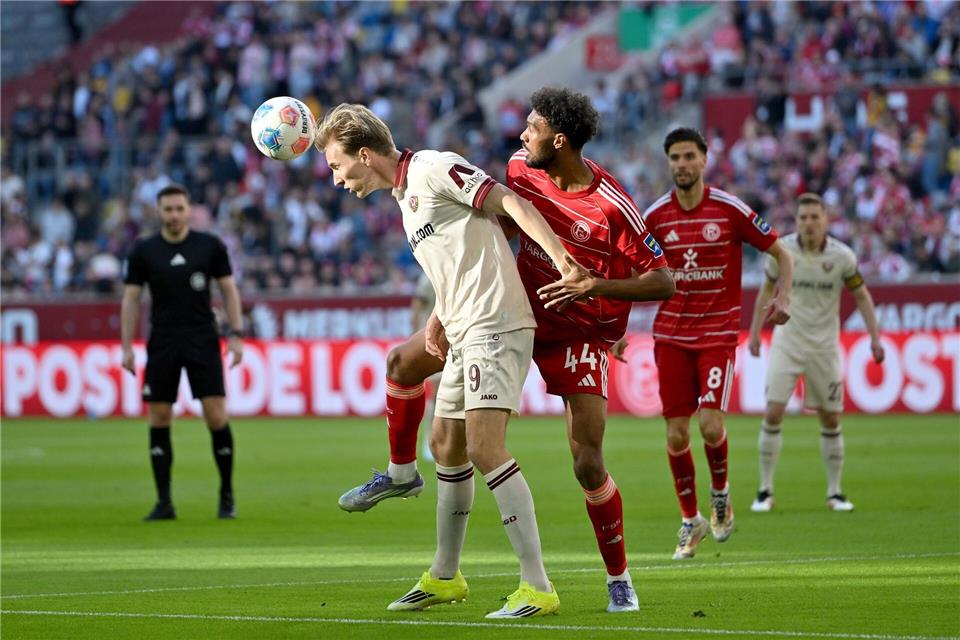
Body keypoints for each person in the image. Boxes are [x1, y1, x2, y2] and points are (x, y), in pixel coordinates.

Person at [340, 88, 675, 612]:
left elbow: (664, 281)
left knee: (585, 462)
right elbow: (482, 230)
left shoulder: (612, 205)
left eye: (532, 125)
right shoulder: (520, 166)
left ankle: (611, 578)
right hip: (500, 310)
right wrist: (441, 311)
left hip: (572, 329)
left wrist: (593, 288)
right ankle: (440, 566)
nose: (521, 135)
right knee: (424, 400)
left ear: (558, 139)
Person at [316, 102, 587, 618]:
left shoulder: (433, 167)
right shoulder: (406, 196)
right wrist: (440, 314)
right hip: (463, 331)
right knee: (445, 446)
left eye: (336, 165)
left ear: (365, 154)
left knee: (486, 448)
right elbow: (461, 257)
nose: (335, 179)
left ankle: (537, 586)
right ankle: (444, 576)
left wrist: (562, 261)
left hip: (495, 325)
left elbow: (509, 205)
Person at [638, 127, 793, 560]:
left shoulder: (727, 209)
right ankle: (691, 520)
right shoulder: (654, 216)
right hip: (670, 335)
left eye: (689, 156)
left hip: (716, 334)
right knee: (674, 435)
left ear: (705, 160)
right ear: (668, 163)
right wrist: (613, 330)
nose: (682, 165)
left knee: (708, 424)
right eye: (675, 158)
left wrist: (784, 294)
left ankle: (721, 493)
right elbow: (628, 268)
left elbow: (782, 252)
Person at [747, 193, 884, 513]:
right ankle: (765, 490)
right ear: (796, 221)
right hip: (788, 342)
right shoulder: (781, 252)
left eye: (814, 217)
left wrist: (875, 338)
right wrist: (755, 332)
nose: (808, 223)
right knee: (773, 412)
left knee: (830, 417)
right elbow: (766, 291)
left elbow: (861, 296)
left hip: (824, 347)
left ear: (826, 220)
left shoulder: (843, 257)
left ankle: (835, 492)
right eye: (803, 217)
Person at [121, 183, 243, 521]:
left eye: (179, 208)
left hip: (202, 338)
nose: (174, 215)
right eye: (168, 209)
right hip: (162, 340)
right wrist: (127, 345)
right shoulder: (144, 251)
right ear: (158, 212)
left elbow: (229, 291)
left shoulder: (210, 246)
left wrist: (236, 334)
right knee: (159, 417)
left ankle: (227, 495)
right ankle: (164, 502)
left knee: (216, 416)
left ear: (188, 210)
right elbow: (131, 299)